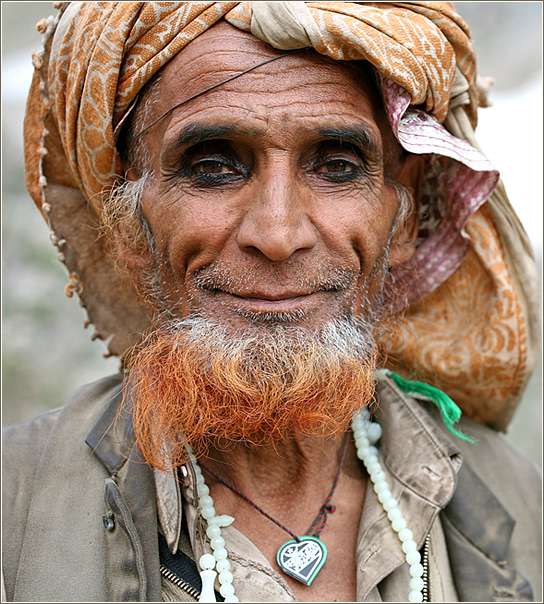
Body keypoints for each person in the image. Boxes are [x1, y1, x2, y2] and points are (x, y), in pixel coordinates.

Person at [2, 2, 541, 602]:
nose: (279, 235)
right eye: (212, 166)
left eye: (336, 166)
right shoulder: (15, 507)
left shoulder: (511, 494)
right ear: (128, 223)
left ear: (404, 217)